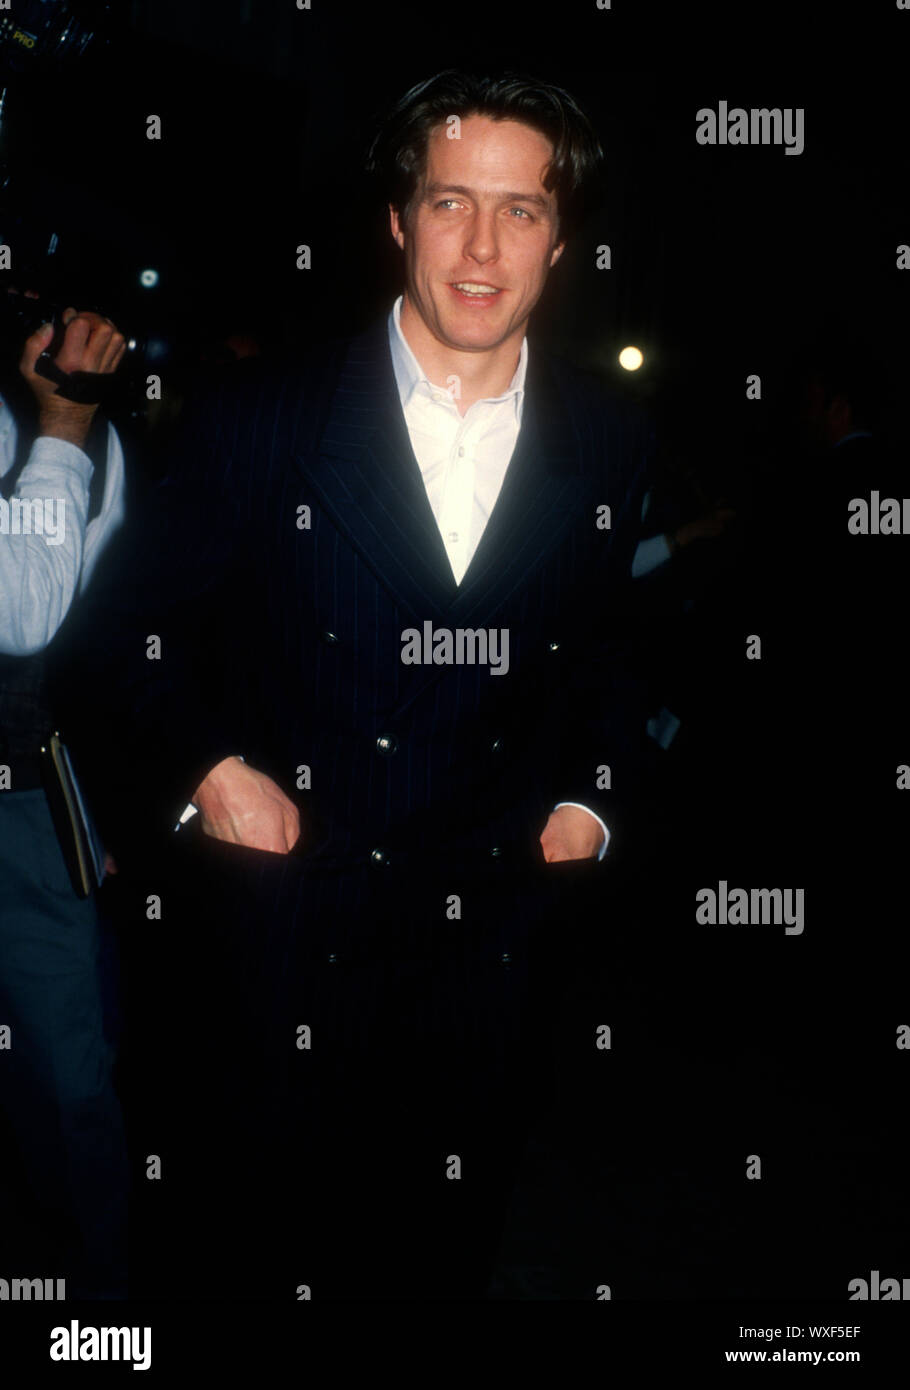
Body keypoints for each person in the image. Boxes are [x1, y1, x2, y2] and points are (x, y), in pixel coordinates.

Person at [60, 70, 662, 1300]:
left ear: (564, 235)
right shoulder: (260, 419)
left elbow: (611, 653)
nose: (482, 248)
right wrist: (210, 775)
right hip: (277, 945)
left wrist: (590, 804)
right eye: (450, 203)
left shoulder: (608, 436)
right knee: (238, 1262)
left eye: (521, 210)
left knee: (429, 1265)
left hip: (480, 960)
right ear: (398, 219)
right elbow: (113, 643)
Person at [0, 304, 130, 1298]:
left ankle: (91, 1311)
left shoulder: (87, 436)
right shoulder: (67, 433)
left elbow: (49, 625)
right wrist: (62, 436)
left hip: (24, 810)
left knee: (65, 1080)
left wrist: (64, 434)